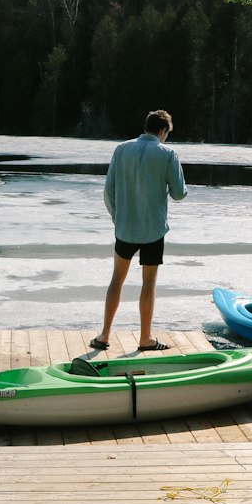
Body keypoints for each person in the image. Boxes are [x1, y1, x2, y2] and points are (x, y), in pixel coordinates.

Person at [91, 109, 187, 352]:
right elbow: (178, 194)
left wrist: (118, 218)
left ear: (146, 126)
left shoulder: (122, 149)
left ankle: (103, 336)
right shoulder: (167, 154)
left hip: (125, 228)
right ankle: (145, 338)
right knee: (149, 283)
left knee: (117, 278)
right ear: (163, 131)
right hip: (154, 230)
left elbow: (108, 192)